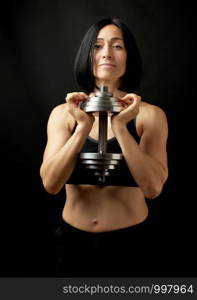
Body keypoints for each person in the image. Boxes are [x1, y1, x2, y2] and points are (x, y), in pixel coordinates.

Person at [40, 17, 168, 277]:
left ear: (128, 55)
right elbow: (51, 184)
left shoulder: (149, 116)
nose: (107, 53)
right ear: (88, 54)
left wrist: (121, 127)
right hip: (72, 244)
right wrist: (82, 128)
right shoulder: (63, 114)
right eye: (98, 46)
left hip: (131, 246)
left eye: (117, 46)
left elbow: (153, 188)